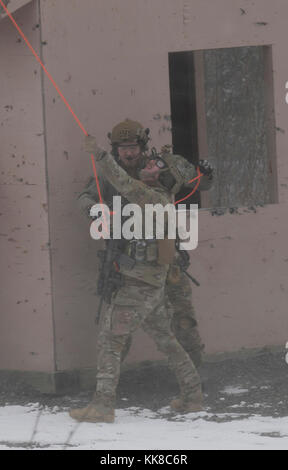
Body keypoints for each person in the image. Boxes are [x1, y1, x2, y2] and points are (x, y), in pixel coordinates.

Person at [70, 122, 206, 423]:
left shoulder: (152, 195)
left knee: (110, 339)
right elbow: (104, 189)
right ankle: (193, 395)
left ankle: (103, 406)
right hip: (148, 280)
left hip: (140, 280)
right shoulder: (151, 194)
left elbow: (122, 182)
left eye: (154, 168)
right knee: (165, 338)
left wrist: (101, 156)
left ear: (156, 178)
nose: (148, 167)